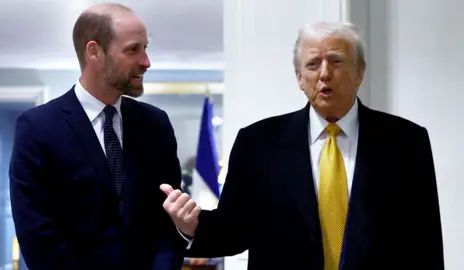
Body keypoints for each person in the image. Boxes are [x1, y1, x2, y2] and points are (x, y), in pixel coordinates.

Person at [160, 22, 444, 270]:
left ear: (359, 72)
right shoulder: (258, 142)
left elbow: (425, 242)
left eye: (336, 61)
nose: (324, 74)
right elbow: (234, 231)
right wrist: (191, 226)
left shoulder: (406, 141)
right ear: (299, 78)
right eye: (312, 64)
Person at [9, 3, 188, 270]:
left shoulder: (156, 125)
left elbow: (168, 222)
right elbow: (38, 236)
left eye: (145, 48)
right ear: (94, 52)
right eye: (132, 49)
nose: (146, 62)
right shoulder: (37, 128)